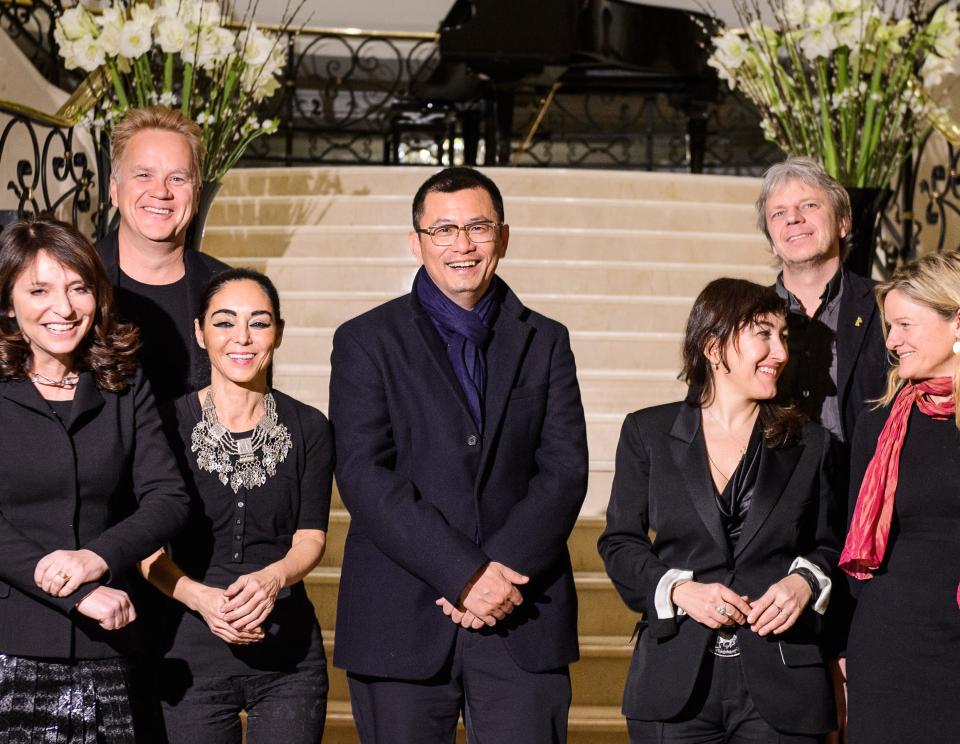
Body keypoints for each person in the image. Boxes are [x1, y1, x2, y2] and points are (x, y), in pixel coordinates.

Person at [329, 166, 589, 743]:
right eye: (443, 230)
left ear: (503, 236)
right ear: (416, 242)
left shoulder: (546, 339)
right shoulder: (365, 340)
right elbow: (365, 473)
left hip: (522, 609)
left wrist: (497, 576)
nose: (462, 245)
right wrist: (465, 574)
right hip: (402, 613)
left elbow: (564, 470)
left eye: (477, 227)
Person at [599, 278, 840, 743]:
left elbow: (830, 545)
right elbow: (620, 543)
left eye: (783, 336)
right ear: (713, 347)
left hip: (783, 681)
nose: (780, 352)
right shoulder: (647, 432)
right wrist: (678, 592)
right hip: (674, 684)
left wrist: (804, 582)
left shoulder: (812, 443)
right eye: (763, 335)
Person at [0, 216, 190, 741]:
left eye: (78, 287)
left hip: (106, 648)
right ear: (8, 303)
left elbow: (168, 498)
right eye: (38, 290)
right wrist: (75, 593)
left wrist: (96, 559)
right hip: (7, 645)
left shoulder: (122, 383)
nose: (62, 308)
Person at [139, 268, 333, 743]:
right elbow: (143, 550)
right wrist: (200, 598)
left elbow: (310, 538)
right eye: (224, 323)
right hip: (187, 658)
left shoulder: (310, 427)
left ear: (279, 334)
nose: (242, 338)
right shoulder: (162, 426)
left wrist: (273, 579)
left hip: (290, 659)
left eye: (259, 322)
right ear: (200, 333)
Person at [840, 251, 960, 743]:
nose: (892, 342)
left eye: (905, 325)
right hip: (888, 653)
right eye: (890, 327)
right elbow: (853, 552)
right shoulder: (877, 425)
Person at [96, 105, 228, 407]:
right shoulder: (74, 284)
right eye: (143, 175)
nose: (161, 192)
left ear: (196, 197)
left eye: (178, 179)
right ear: (115, 190)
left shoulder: (227, 289)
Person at [756, 157, 887, 447]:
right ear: (771, 240)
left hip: (860, 485)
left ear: (843, 222)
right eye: (778, 213)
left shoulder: (887, 306)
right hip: (773, 486)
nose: (793, 218)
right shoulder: (746, 314)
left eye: (809, 205)